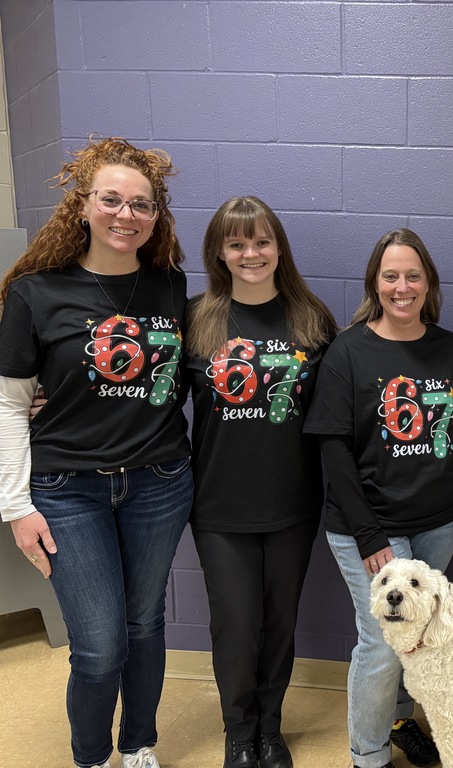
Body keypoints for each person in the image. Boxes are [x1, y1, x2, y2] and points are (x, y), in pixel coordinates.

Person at [0, 137, 191, 768]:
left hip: (160, 482)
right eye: (112, 200)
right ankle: (91, 757)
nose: (126, 215)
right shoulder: (36, 292)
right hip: (67, 491)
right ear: (83, 206)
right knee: (100, 645)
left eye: (142, 205)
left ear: (155, 217)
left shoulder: (171, 286)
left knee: (145, 627)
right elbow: (8, 403)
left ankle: (138, 745)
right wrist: (15, 506)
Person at [303, 228, 453, 768]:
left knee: (421, 634)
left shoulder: (449, 347)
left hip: (441, 518)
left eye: (413, 276)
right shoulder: (348, 349)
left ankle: (403, 721)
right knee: (382, 644)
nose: (402, 286)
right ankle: (369, 754)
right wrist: (368, 534)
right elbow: (332, 448)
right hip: (369, 524)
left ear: (428, 283)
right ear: (374, 283)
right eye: (390, 276)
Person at [184, 197, 337, 768]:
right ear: (220, 252)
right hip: (220, 505)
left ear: (279, 248)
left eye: (261, 241)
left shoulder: (311, 318)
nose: (251, 253)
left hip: (292, 503)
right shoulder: (196, 318)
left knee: (279, 623)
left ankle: (270, 730)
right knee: (237, 626)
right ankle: (237, 731)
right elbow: (151, 405)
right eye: (237, 243)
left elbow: (337, 413)